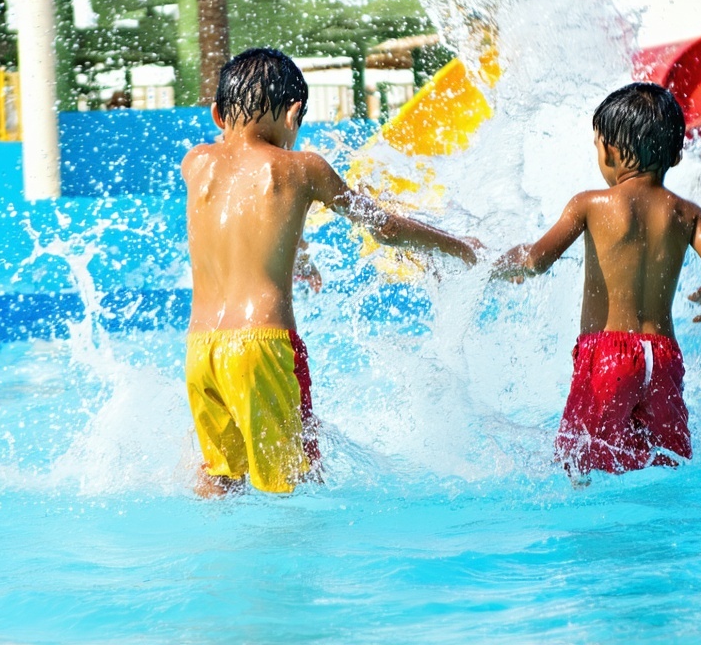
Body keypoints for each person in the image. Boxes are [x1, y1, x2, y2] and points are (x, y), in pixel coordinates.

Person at [182, 47, 480, 497]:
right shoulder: (304, 169)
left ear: (218, 115)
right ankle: (287, 564)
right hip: (262, 347)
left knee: (220, 478)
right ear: (295, 112)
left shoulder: (196, 163)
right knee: (294, 482)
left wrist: (298, 255)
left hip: (200, 351)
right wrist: (460, 248)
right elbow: (386, 227)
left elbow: (244, 222)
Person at [490, 82, 701, 482]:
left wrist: (491, 266)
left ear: (609, 151)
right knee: (669, 464)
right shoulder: (687, 213)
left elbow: (535, 261)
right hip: (662, 358)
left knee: (577, 466)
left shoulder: (590, 204)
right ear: (675, 155)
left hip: (607, 356)